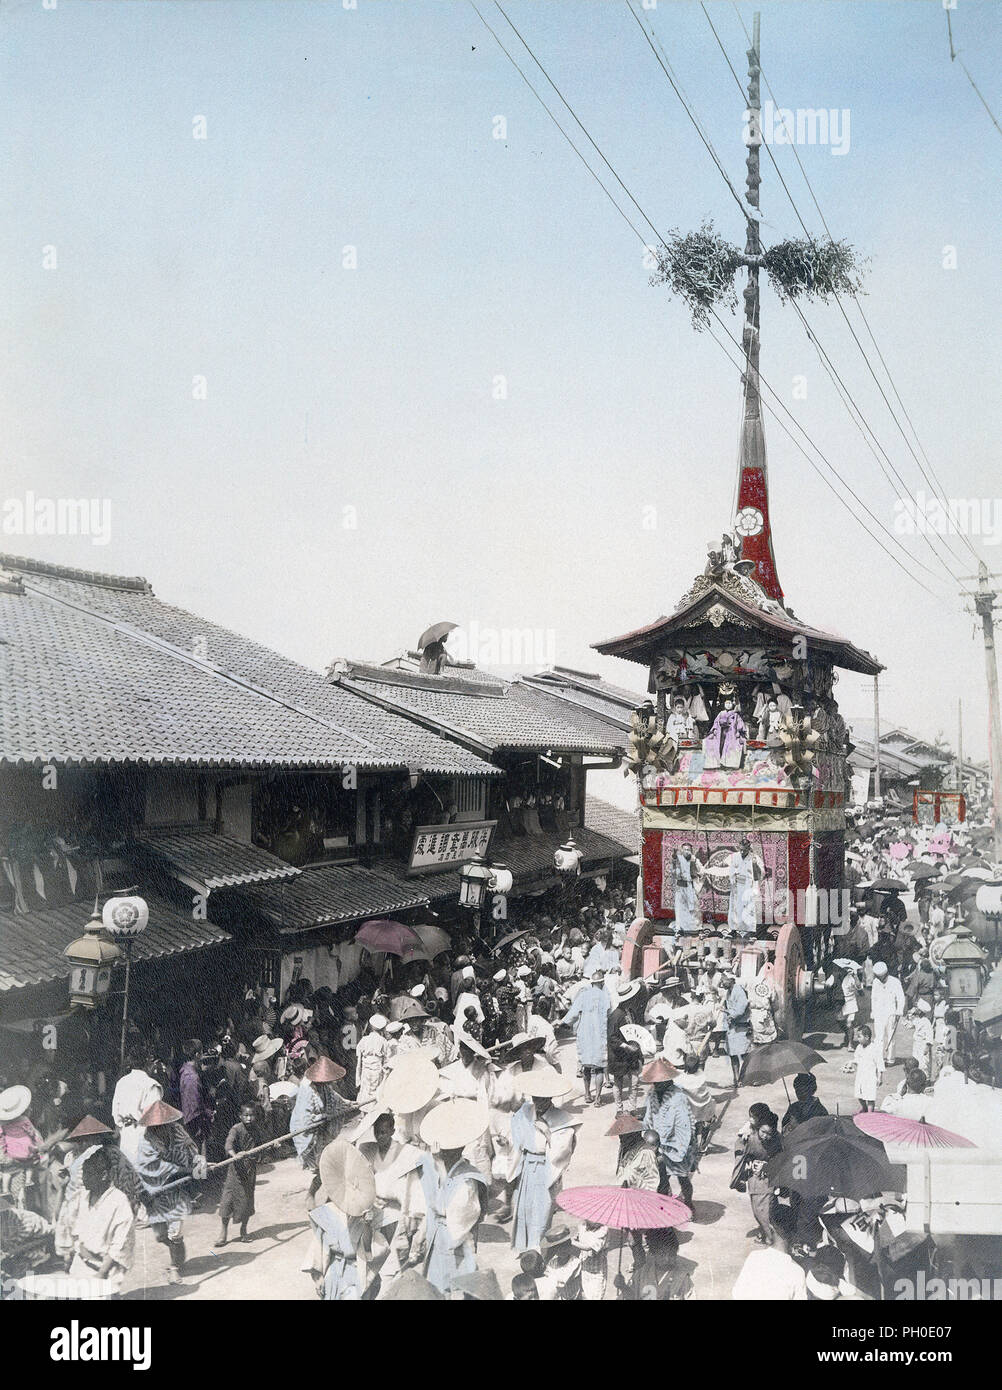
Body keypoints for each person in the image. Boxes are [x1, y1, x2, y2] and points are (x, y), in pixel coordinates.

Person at [415, 1107, 489, 1294]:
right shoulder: (440, 1170)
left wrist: (440, 1167)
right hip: (437, 1235)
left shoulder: (467, 1179)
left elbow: (450, 1212)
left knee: (454, 1288)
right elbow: (429, 1205)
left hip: (455, 1241)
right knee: (434, 1285)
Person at [131, 1100, 202, 1285]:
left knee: (175, 1231)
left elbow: (191, 1148)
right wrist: (185, 1171)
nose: (160, 1128)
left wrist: (199, 1164)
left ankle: (174, 1267)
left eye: (163, 1124)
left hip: (177, 1188)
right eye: (156, 1126)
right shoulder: (147, 1140)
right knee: (160, 1235)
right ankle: (176, 1249)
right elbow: (151, 1167)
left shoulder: (177, 1130)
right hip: (155, 1189)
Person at [510, 1069, 578, 1254]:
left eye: (542, 1099)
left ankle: (538, 1251)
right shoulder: (525, 1110)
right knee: (525, 1208)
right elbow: (515, 1133)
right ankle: (526, 1251)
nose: (538, 1102)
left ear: (550, 1098)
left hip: (546, 1168)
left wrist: (548, 1132)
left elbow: (563, 1150)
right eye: (535, 1098)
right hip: (527, 1166)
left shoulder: (561, 1118)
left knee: (542, 1211)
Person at [65, 1147, 135, 1296]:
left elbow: (121, 1244)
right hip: (81, 1262)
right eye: (83, 1174)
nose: (83, 1179)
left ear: (103, 1175)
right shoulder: (82, 1197)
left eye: (88, 1174)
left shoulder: (119, 1201)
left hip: (107, 1267)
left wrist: (102, 1272)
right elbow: (74, 1228)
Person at [291, 1056, 356, 1207]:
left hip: (322, 1132)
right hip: (310, 1134)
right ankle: (313, 1195)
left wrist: (350, 1103)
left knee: (329, 1166)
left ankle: (327, 1198)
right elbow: (304, 1117)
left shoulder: (326, 1087)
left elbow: (337, 1099)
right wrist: (322, 1116)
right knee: (324, 1168)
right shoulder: (307, 1090)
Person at [641, 1060, 696, 1207]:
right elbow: (649, 1116)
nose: (656, 1085)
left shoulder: (678, 1096)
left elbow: (683, 1125)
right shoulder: (652, 1094)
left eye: (659, 1082)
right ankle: (664, 1206)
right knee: (661, 1178)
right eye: (655, 1082)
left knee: (683, 1178)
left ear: (667, 1080)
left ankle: (689, 1204)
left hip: (678, 1144)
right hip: (658, 1144)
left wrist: (683, 1146)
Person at [732, 1194, 807, 1299]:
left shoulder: (754, 1258)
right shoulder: (797, 1272)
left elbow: (737, 1294)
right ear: (795, 1232)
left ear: (771, 1226)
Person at [561, 970, 611, 1105]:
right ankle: (598, 1098)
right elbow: (609, 1015)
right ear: (602, 983)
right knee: (600, 1067)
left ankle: (588, 1094)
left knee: (586, 1065)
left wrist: (564, 1023)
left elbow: (573, 1013)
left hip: (585, 1035)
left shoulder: (584, 995)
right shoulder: (606, 996)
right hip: (599, 1035)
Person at [217, 1102, 260, 1246]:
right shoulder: (236, 1129)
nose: (249, 1118)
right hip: (235, 1170)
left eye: (252, 1115)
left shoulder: (256, 1129)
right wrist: (234, 1155)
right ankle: (223, 1232)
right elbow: (228, 1144)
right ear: (240, 1116)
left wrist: (273, 1146)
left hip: (250, 1170)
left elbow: (261, 1145)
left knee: (247, 1200)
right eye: (246, 1115)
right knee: (227, 1201)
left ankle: (244, 1230)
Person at [111, 1051, 163, 1165]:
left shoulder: (122, 1082)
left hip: (126, 1135)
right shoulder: (150, 1085)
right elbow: (154, 1118)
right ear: (148, 1063)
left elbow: (116, 1113)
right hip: (144, 1137)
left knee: (128, 1173)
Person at [617, 1226, 693, 1300]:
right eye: (662, 1254)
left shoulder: (682, 1279)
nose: (667, 1259)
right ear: (653, 1253)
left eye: (672, 1254)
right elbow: (632, 1296)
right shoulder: (642, 1274)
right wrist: (623, 1287)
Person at [606, 979, 645, 1114]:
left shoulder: (631, 1013)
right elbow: (611, 1037)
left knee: (634, 1082)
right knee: (618, 1083)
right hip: (619, 1055)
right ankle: (619, 1109)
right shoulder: (615, 1016)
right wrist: (625, 1046)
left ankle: (632, 1108)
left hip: (632, 1055)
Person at [870, 961, 905, 1067]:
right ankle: (879, 1058)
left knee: (891, 1036)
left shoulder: (895, 982)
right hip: (879, 1013)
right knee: (878, 1038)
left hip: (891, 1012)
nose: (881, 979)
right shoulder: (876, 982)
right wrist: (873, 1011)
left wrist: (899, 1010)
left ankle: (890, 1059)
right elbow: (873, 998)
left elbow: (900, 997)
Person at [721, 970, 751, 1085]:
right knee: (733, 1054)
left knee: (744, 1054)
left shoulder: (738, 990)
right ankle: (736, 1079)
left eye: (724, 980)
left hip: (741, 1027)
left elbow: (741, 1009)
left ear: (731, 980)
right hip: (732, 1027)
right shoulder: (729, 991)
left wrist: (730, 1014)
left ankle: (744, 1078)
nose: (722, 982)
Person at [727, 838, 761, 935]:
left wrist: (755, 865)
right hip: (737, 885)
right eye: (740, 849)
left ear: (748, 848)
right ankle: (733, 930)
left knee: (748, 908)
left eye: (744, 850)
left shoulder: (754, 858)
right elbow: (731, 872)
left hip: (748, 886)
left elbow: (757, 876)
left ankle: (749, 931)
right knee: (734, 908)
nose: (742, 852)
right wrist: (733, 880)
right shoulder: (735, 857)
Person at [355, 1014, 390, 1105]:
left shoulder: (364, 1040)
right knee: (376, 1091)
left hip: (365, 1070)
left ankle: (364, 1112)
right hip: (377, 1069)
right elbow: (387, 1059)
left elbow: (359, 1060)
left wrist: (357, 1076)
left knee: (365, 1091)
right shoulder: (383, 1041)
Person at [673, 844, 704, 933]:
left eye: (688, 850)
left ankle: (697, 928)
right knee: (680, 908)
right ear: (682, 851)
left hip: (690, 886)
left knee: (694, 907)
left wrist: (695, 872)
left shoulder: (694, 859)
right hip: (680, 887)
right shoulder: (678, 859)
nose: (687, 851)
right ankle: (679, 929)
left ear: (691, 851)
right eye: (685, 849)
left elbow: (701, 871)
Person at [853, 1026, 883, 1113]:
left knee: (870, 1097)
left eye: (859, 1036)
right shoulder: (859, 1047)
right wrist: (852, 1063)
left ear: (867, 1037)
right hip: (860, 1075)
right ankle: (864, 1107)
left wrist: (880, 1077)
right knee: (859, 1095)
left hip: (870, 1077)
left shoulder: (875, 1049)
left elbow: (880, 1063)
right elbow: (856, 1058)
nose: (857, 1039)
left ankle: (870, 1114)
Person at [839, 964, 861, 1049]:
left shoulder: (851, 978)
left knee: (849, 1023)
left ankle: (850, 1044)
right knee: (840, 1021)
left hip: (851, 1002)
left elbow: (859, 988)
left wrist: (855, 976)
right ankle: (847, 1034)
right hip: (840, 1002)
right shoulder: (837, 976)